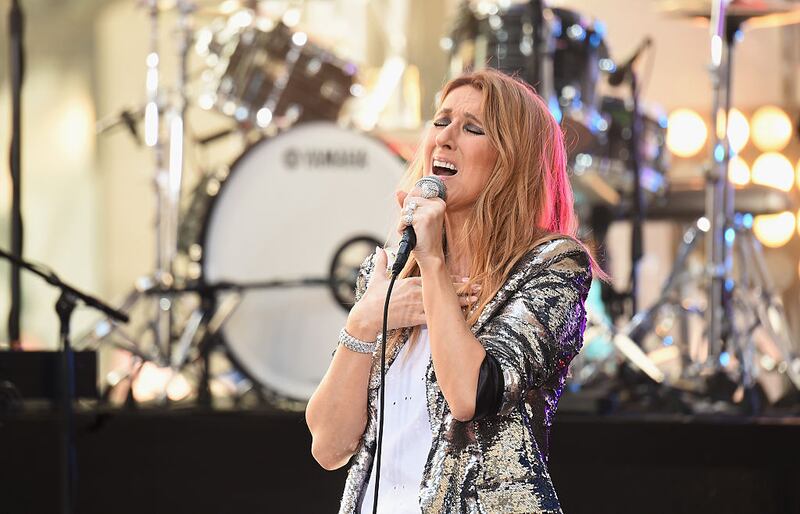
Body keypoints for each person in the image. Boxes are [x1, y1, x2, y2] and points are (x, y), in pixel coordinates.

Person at [305, 68, 602, 513]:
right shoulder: (389, 273)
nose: (445, 138)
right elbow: (328, 446)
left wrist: (433, 264)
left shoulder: (550, 265)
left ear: (510, 160)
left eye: (472, 128)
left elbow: (469, 395)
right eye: (441, 122)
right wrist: (366, 318)